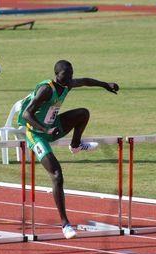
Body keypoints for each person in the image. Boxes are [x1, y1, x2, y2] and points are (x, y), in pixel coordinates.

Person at [17, 60, 119, 239]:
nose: (70, 79)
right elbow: (26, 114)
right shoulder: (46, 89)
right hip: (36, 133)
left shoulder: (67, 84)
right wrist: (45, 129)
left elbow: (86, 81)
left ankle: (75, 145)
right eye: (66, 76)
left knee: (83, 113)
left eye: (71, 75)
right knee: (57, 174)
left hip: (53, 126)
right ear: (56, 75)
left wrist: (105, 85)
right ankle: (65, 224)